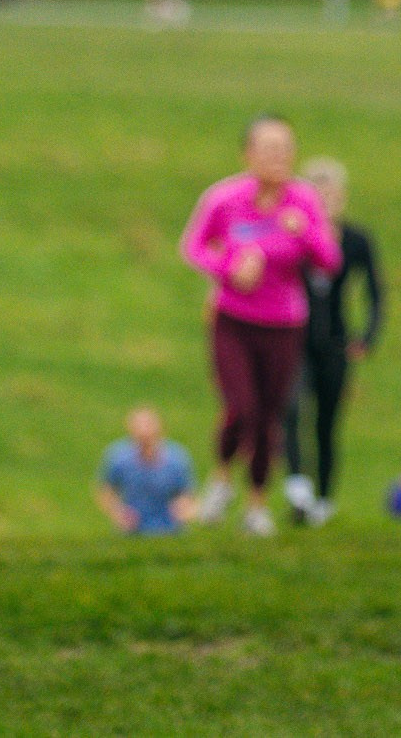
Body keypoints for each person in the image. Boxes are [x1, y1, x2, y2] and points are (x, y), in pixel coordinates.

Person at [180, 114, 342, 536]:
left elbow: (329, 261)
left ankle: (255, 504)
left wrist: (305, 232)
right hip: (232, 319)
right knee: (241, 406)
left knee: (269, 415)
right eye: (268, 149)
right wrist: (229, 267)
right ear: (248, 154)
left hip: (285, 323)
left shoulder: (303, 202)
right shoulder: (224, 199)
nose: (278, 157)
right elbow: (194, 246)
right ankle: (219, 479)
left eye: (285, 149)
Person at [281, 156, 384, 526]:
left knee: (327, 423)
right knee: (290, 409)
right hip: (293, 338)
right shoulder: (292, 235)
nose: (324, 200)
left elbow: (375, 293)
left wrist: (367, 336)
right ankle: (297, 486)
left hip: (335, 341)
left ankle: (323, 499)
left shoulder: (357, 240)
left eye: (331, 193)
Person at [95, 407, 197, 535]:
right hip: (132, 530)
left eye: (148, 425)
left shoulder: (177, 458)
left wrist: (183, 510)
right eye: (139, 426)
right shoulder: (118, 457)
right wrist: (119, 513)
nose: (144, 432)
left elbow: (187, 493)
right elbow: (105, 491)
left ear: (160, 428)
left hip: (170, 529)